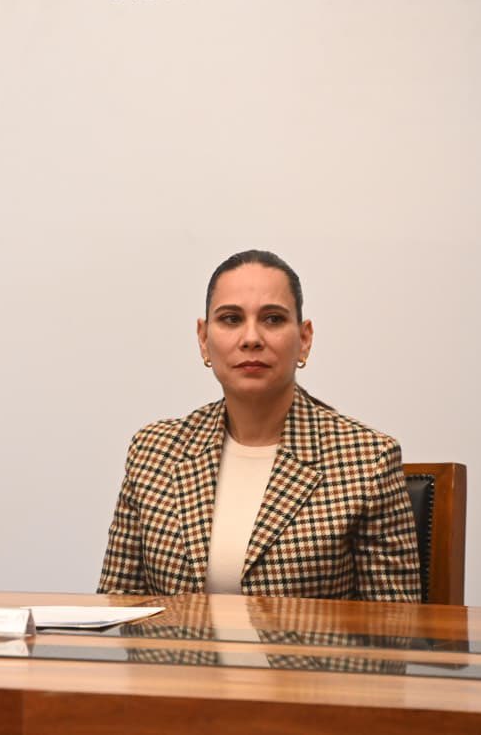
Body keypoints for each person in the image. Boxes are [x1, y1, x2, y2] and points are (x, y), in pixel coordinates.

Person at [98, 250, 420, 602]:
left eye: (273, 319)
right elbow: (117, 605)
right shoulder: (153, 452)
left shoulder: (367, 461)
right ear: (204, 339)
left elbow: (394, 625)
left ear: (305, 339)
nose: (251, 337)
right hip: (175, 642)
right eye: (231, 319)